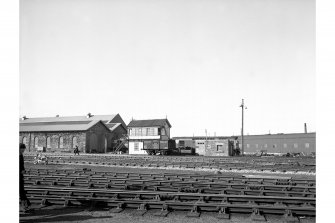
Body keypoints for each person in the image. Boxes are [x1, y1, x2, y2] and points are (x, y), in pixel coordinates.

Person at [20, 143, 32, 213]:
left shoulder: (21, 155)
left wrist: (23, 170)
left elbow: (22, 165)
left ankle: (25, 206)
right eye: (23, 149)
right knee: (21, 192)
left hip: (20, 176)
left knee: (22, 192)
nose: (23, 151)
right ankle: (24, 206)